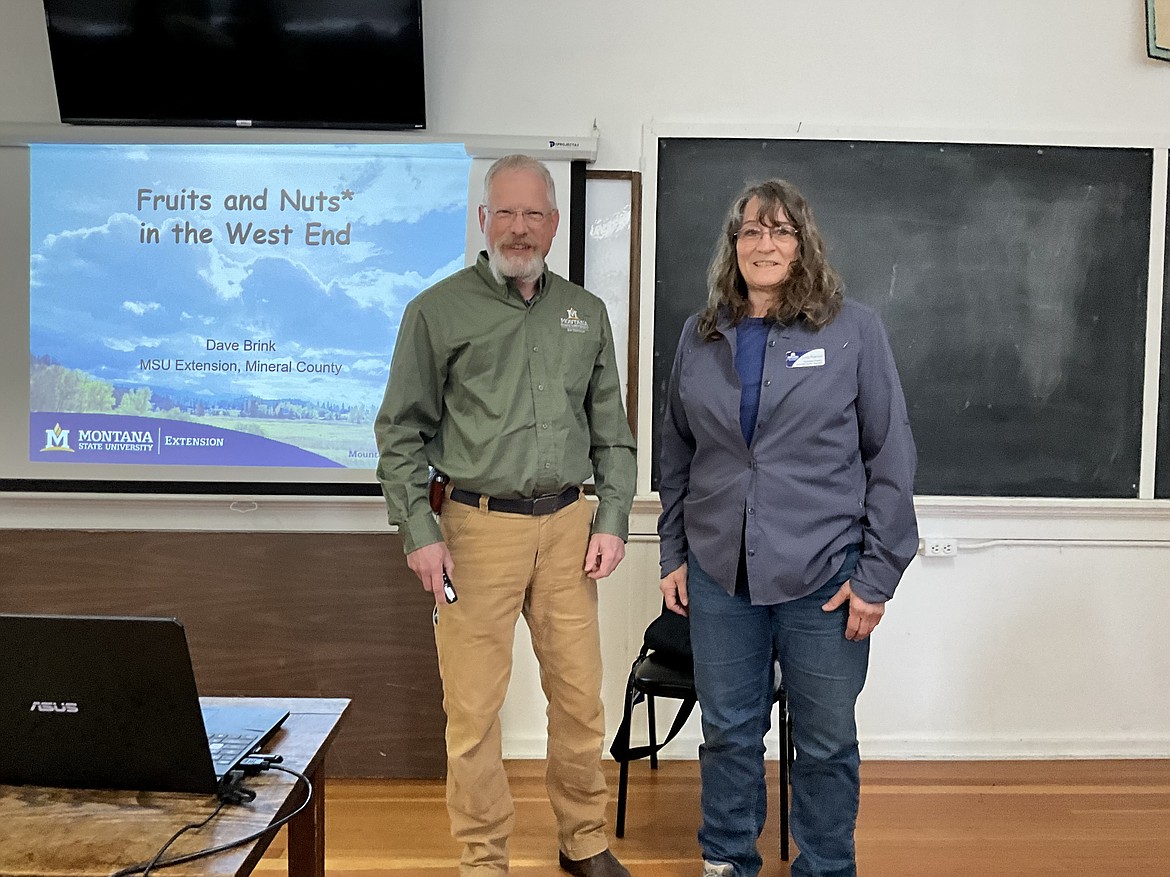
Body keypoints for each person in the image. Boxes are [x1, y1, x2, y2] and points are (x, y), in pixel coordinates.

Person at [374, 154, 637, 877]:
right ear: (484, 220)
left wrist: (611, 515)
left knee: (581, 701)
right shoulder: (437, 311)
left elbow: (611, 428)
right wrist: (418, 532)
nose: (520, 228)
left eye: (534, 215)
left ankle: (583, 840)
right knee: (474, 714)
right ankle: (483, 858)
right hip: (473, 531)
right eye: (506, 213)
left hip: (567, 530)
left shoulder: (586, 314)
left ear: (553, 224)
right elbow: (399, 431)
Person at [657, 179, 918, 877]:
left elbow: (890, 454)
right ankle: (726, 861)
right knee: (728, 735)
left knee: (827, 742)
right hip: (720, 575)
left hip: (826, 579)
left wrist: (877, 577)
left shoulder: (853, 330)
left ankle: (826, 866)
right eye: (750, 231)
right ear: (733, 246)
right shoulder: (701, 334)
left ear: (802, 243)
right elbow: (678, 452)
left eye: (779, 231)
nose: (763, 244)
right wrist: (673, 553)